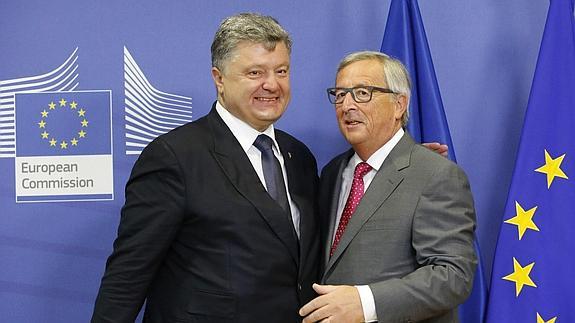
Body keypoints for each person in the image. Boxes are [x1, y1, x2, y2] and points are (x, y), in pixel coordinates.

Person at [92, 13, 319, 323]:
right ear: (219, 78)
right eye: (255, 72)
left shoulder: (300, 157)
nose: (272, 84)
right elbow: (128, 274)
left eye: (282, 71)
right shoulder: (174, 157)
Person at [300, 51, 477, 323]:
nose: (347, 105)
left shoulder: (437, 175)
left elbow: (452, 275)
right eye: (340, 94)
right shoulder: (332, 173)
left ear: (399, 105)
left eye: (362, 93)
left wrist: (366, 302)